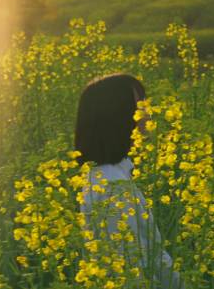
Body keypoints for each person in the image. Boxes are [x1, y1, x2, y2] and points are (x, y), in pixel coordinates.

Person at [75, 73, 184, 289]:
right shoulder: (112, 186)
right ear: (118, 117)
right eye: (141, 106)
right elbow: (137, 263)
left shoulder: (107, 176)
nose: (148, 115)